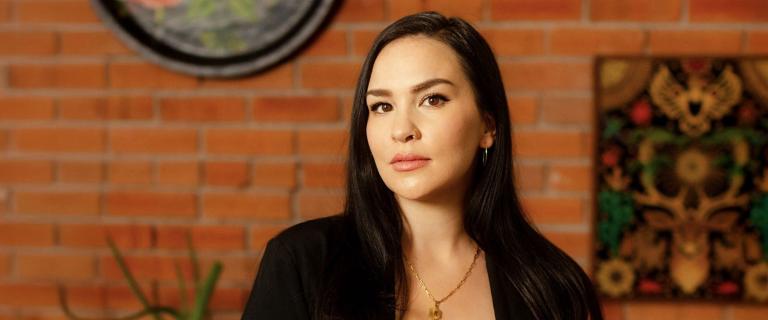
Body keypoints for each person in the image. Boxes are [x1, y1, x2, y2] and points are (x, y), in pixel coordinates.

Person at [242, 11, 603, 320]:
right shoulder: (303, 261)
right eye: (382, 106)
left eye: (433, 99)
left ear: (487, 126)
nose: (402, 130)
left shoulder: (553, 288)